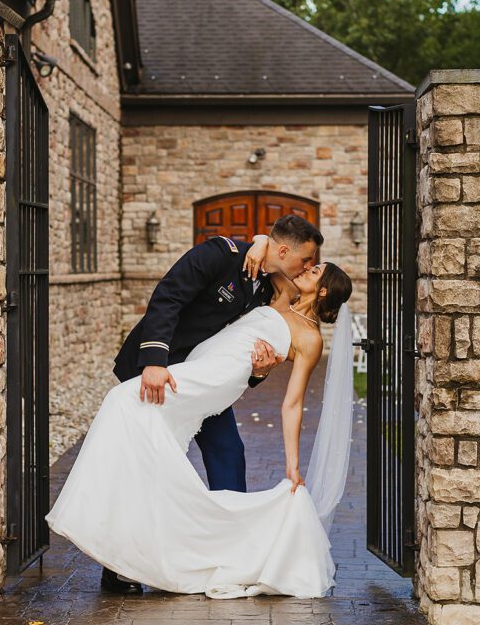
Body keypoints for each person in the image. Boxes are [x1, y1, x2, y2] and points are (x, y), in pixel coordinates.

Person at [46, 260, 353, 600]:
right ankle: (125, 551)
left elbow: (292, 403)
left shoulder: (310, 339)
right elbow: (269, 255)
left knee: (122, 400)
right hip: (201, 361)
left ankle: (90, 517)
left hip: (217, 377)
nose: (305, 269)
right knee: (148, 445)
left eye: (314, 271)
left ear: (323, 290)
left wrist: (293, 464)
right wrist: (262, 237)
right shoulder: (282, 295)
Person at [103, 215, 322, 593]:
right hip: (160, 374)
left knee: (228, 454)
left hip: (202, 384)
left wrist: (259, 373)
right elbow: (168, 296)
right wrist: (154, 361)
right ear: (284, 250)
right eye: (305, 259)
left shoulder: (266, 286)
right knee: (150, 464)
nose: (306, 267)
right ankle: (121, 564)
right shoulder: (219, 255)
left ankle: (230, 552)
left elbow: (238, 347)